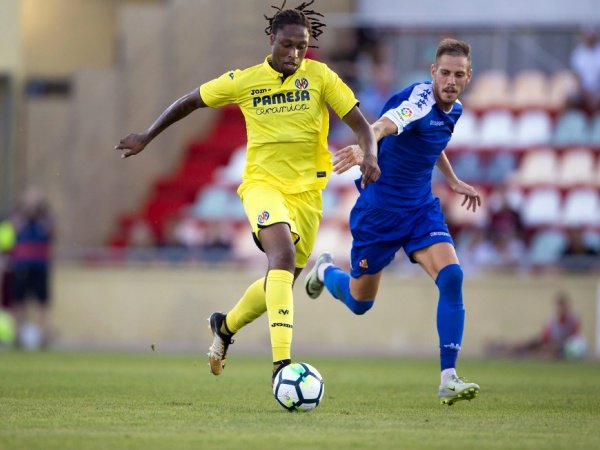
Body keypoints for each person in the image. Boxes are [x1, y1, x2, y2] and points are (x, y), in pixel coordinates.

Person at [115, 1, 380, 382]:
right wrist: (147, 135)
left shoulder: (320, 76)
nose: (294, 54)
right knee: (281, 256)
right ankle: (282, 367)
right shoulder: (244, 81)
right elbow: (190, 101)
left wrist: (370, 154)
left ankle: (224, 327)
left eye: (301, 46)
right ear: (271, 39)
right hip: (262, 185)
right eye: (287, 45)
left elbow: (360, 124)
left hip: (308, 194)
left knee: (281, 280)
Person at [304, 38, 482, 406]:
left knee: (452, 276)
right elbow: (386, 124)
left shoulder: (455, 110)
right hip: (380, 213)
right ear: (433, 72)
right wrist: (365, 146)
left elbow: (432, 141)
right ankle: (325, 271)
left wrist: (451, 180)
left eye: (458, 75)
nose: (450, 81)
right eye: (444, 73)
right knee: (360, 303)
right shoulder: (418, 100)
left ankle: (448, 378)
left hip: (419, 210)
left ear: (468, 77)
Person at [9, 188, 54, 349]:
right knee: (19, 300)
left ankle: (43, 336)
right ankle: (18, 336)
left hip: (40, 265)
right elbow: (14, 230)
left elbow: (51, 232)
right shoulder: (19, 216)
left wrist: (38, 217)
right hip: (21, 265)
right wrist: (26, 215)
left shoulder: (46, 217)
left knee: (42, 301)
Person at [568, 25, 600, 114]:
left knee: (595, 101)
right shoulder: (578, 53)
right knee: (570, 100)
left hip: (597, 90)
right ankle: (574, 121)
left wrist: (594, 92)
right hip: (582, 90)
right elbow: (576, 76)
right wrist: (584, 92)